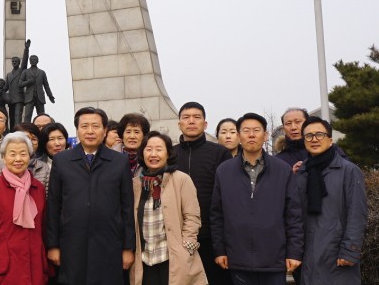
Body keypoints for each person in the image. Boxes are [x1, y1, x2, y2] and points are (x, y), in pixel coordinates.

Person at [47, 107, 136, 285]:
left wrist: (128, 247)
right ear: (77, 130)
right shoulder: (62, 161)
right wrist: (53, 245)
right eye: (84, 126)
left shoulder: (119, 162)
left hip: (109, 243)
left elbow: (127, 207)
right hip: (71, 243)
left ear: (104, 130)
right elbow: (53, 206)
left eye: (95, 126)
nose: (90, 131)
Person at [211, 113, 303, 285]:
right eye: (246, 131)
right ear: (239, 136)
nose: (251, 135)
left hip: (274, 259)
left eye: (256, 130)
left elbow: (294, 215)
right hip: (237, 258)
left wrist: (294, 252)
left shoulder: (282, 170)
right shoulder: (224, 171)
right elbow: (217, 215)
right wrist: (219, 250)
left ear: (266, 135)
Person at [128, 131, 206, 285]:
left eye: (159, 149)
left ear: (168, 153)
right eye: (149, 149)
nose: (153, 154)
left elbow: (192, 216)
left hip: (173, 257)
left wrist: (187, 249)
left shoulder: (181, 179)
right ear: (142, 154)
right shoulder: (135, 184)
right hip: (144, 258)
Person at [296, 117, 367, 285]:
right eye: (308, 136)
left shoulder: (348, 170)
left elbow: (357, 212)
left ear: (330, 139)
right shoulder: (301, 173)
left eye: (319, 134)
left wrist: (350, 251)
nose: (314, 139)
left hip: (336, 253)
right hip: (307, 256)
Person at [0, 132, 48, 285]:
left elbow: (43, 228)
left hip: (34, 265)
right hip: (5, 267)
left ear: (30, 156)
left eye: (23, 154)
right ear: (3, 157)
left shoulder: (38, 188)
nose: (17, 159)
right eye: (12, 154)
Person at [174, 102, 231, 285]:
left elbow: (226, 196)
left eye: (197, 117)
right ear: (179, 123)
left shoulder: (219, 153)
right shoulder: (170, 154)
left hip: (210, 235)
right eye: (186, 117)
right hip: (177, 236)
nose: (191, 121)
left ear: (205, 124)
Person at [0, 123, 50, 192]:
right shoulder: (0, 164)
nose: (29, 142)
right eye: (25, 138)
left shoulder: (43, 167)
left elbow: (46, 196)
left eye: (34, 139)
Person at [19, 55, 55, 123]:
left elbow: (46, 85)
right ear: (29, 61)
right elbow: (20, 84)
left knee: (42, 116)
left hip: (40, 97)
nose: (33, 61)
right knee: (27, 116)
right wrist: (28, 82)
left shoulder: (42, 72)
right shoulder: (25, 72)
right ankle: (27, 130)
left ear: (37, 61)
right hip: (29, 97)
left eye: (34, 59)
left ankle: (43, 130)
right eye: (31, 60)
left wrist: (50, 95)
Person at [6, 40, 31, 126]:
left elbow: (25, 61)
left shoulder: (21, 71)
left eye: (16, 61)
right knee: (12, 117)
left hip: (19, 98)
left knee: (18, 117)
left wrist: (26, 49)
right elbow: (6, 87)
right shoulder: (8, 75)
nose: (14, 63)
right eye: (13, 62)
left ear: (19, 62)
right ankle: (12, 132)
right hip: (11, 99)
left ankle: (18, 130)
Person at [118, 113, 151, 178]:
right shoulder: (110, 157)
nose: (132, 136)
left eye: (136, 132)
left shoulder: (150, 157)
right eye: (128, 132)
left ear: (144, 135)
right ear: (122, 135)